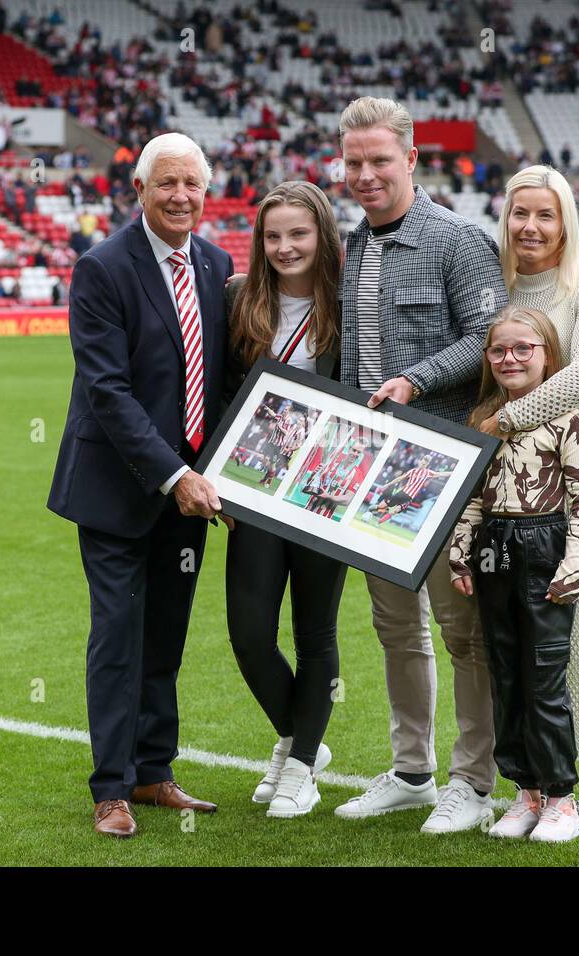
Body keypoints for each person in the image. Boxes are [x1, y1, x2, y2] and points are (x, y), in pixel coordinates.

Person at [46, 132, 234, 839]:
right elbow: (106, 390)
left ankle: (155, 773)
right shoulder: (102, 268)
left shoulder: (217, 265)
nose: (181, 197)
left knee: (166, 638)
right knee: (119, 636)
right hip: (118, 490)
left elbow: (221, 384)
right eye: (167, 185)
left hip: (190, 494)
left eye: (192, 185)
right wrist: (173, 474)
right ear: (140, 191)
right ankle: (111, 787)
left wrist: (229, 477)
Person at [333, 96, 509, 833]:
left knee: (460, 629)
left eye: (380, 161)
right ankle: (411, 772)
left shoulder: (459, 241)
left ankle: (472, 782)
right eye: (354, 163)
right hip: (371, 471)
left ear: (410, 159)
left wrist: (416, 378)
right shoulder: (354, 244)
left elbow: (490, 336)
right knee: (394, 627)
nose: (367, 175)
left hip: (442, 463)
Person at [478, 165, 579, 823]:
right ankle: (544, 778)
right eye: (521, 214)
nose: (531, 227)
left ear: (565, 220)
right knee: (540, 640)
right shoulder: (497, 287)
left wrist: (504, 421)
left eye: (545, 215)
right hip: (516, 493)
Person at [450, 305, 579, 842]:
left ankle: (561, 798)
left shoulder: (565, 418)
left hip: (544, 544)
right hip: (496, 547)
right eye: (498, 350)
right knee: (506, 674)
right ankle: (525, 791)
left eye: (523, 348)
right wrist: (461, 551)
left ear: (547, 355)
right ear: (487, 359)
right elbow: (471, 497)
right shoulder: (482, 418)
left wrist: (574, 559)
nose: (509, 358)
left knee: (543, 677)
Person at [223, 180, 347, 818]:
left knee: (315, 632)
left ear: (322, 236)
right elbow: (219, 392)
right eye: (272, 236)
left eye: (297, 234)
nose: (284, 247)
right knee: (247, 632)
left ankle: (299, 766)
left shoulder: (353, 305)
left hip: (329, 492)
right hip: (256, 490)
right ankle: (304, 737)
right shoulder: (239, 302)